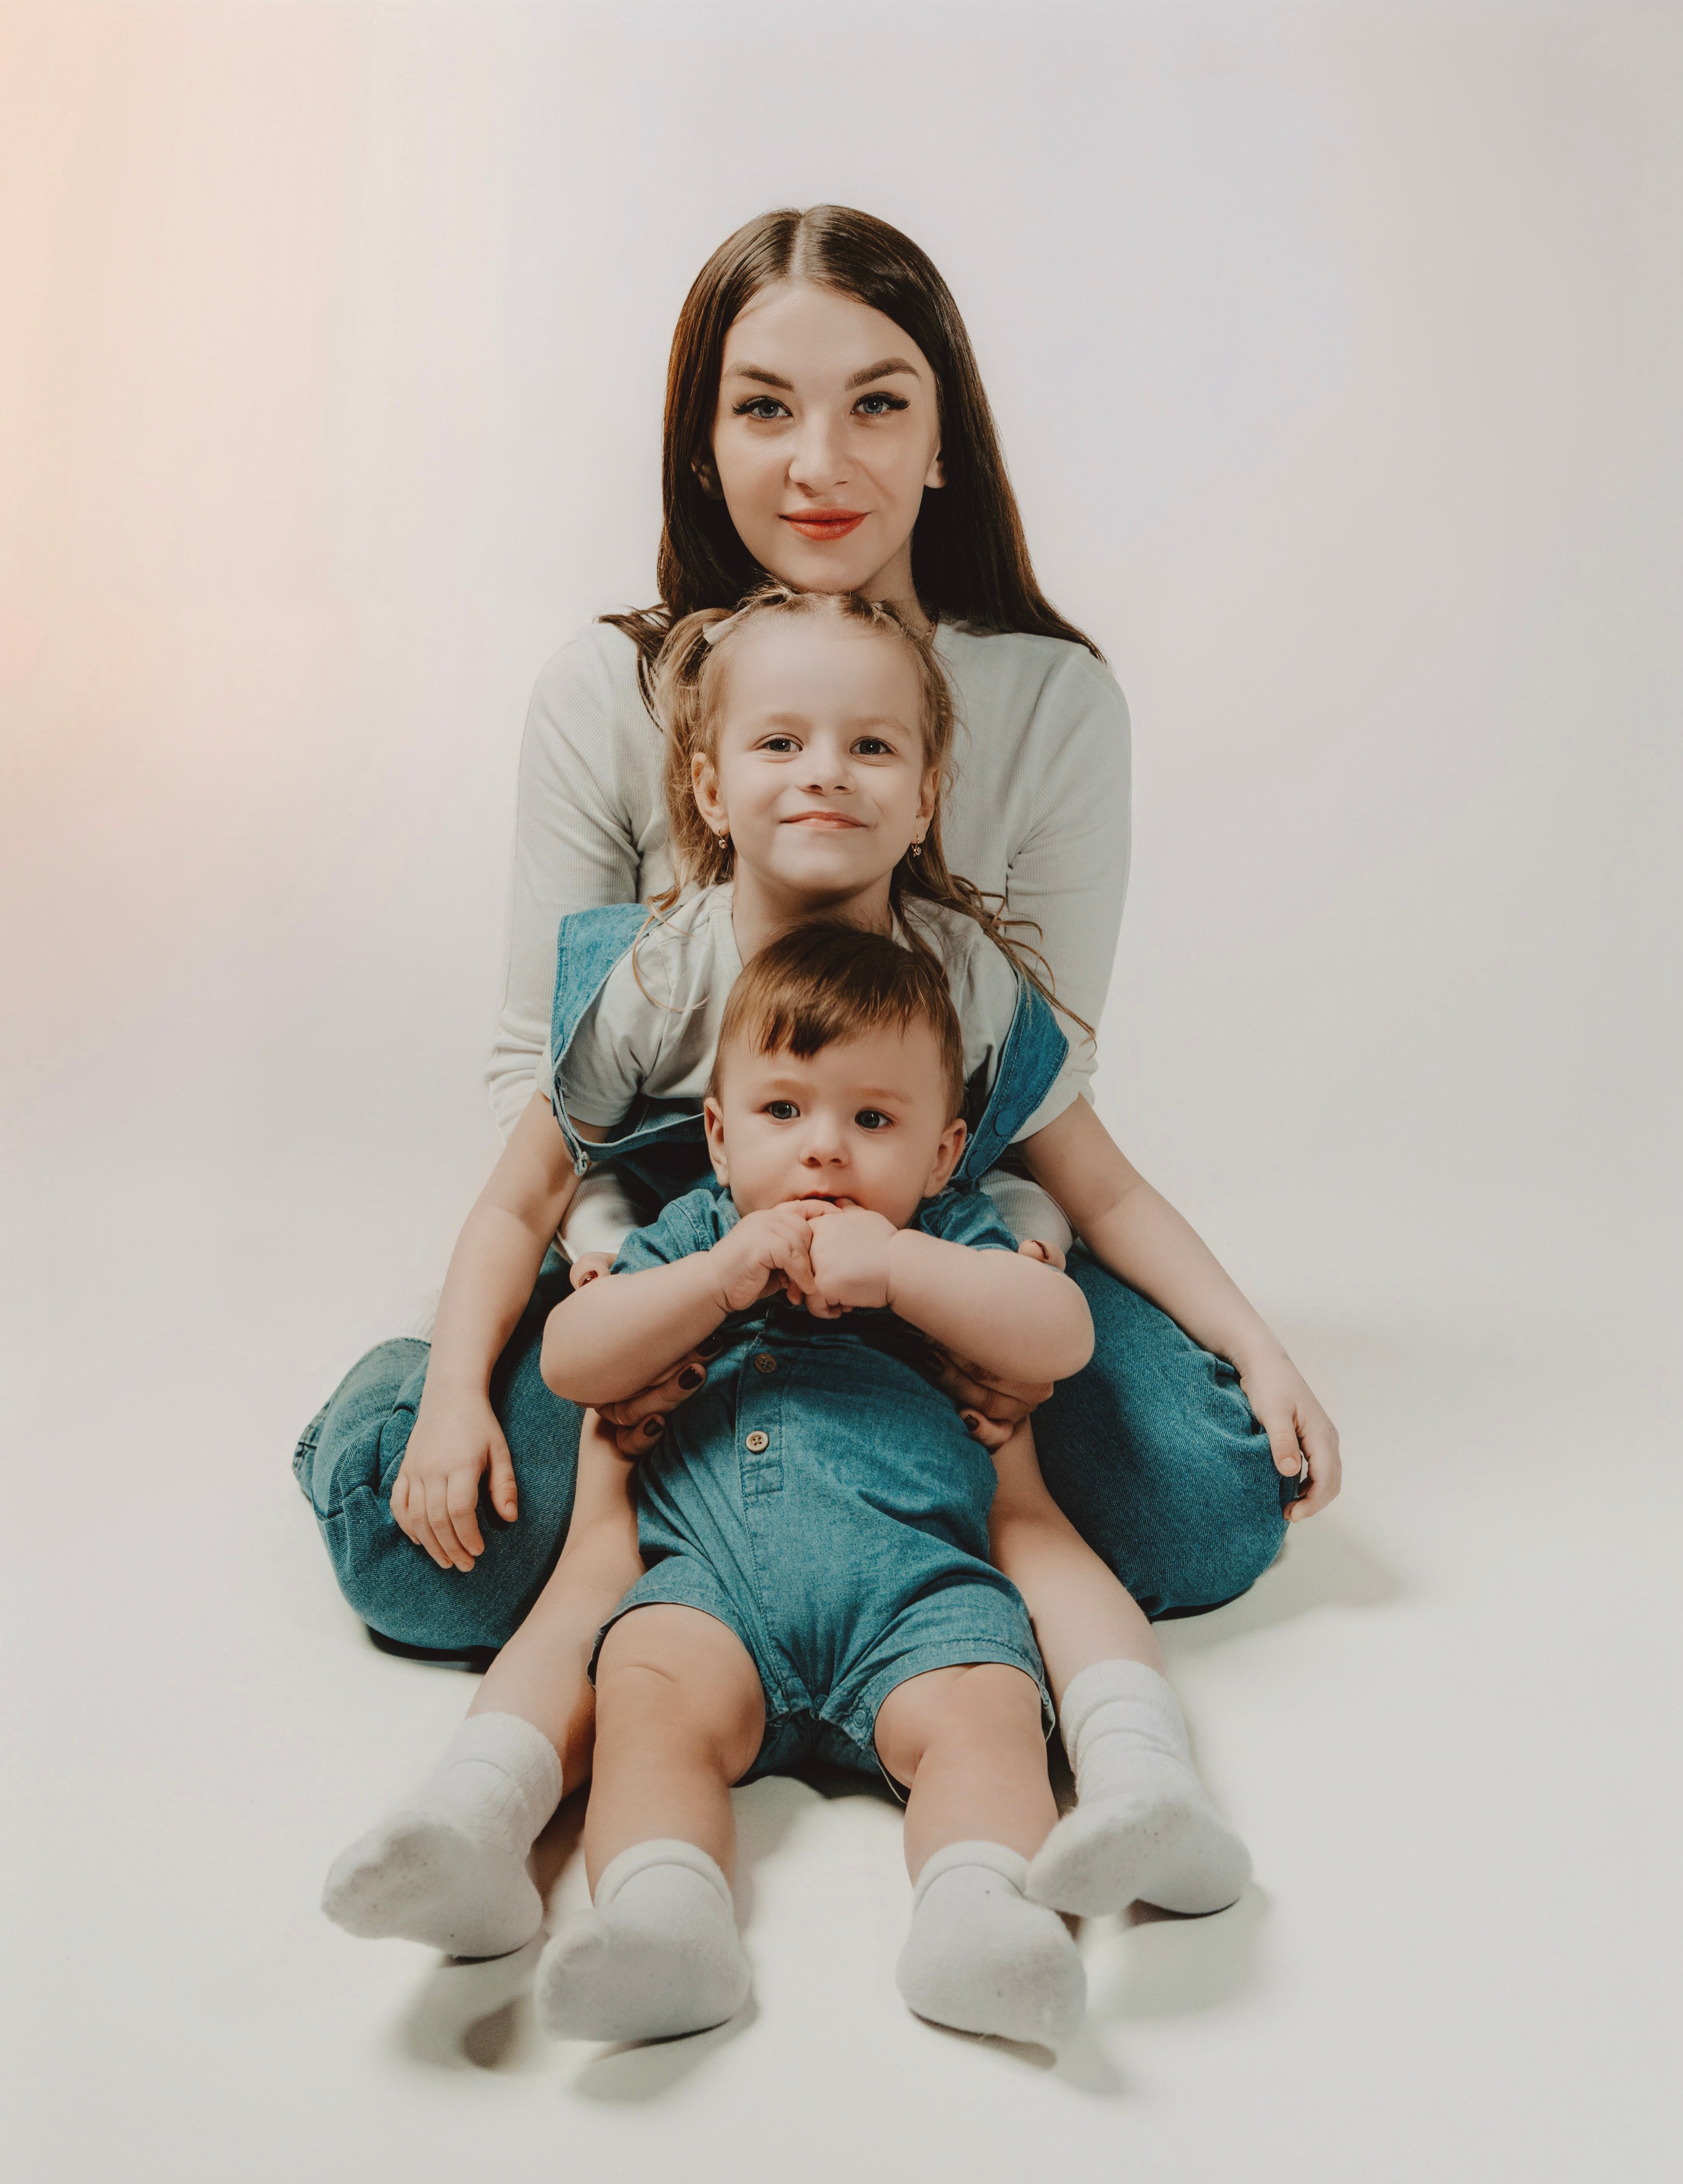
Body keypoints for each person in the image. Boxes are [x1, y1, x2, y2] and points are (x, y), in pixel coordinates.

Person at [294, 203, 1340, 1675]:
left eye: (877, 404)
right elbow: (538, 1088)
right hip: (665, 1230)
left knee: (1202, 1515)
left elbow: (1046, 1112)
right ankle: (547, 1436)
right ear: (701, 442)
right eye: (764, 407)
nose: (820, 462)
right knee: (432, 1573)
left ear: (943, 438)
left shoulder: (1048, 702)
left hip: (932, 1214)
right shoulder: (609, 693)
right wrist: (620, 1275)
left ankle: (857, 1522)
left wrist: (986, 1286)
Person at [320, 592, 1281, 2018]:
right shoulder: (660, 975)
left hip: (910, 1425)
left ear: (926, 790)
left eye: (869, 747)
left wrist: (1250, 1349)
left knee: (1189, 1502)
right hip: (665, 1330)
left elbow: (1107, 1202)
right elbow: (522, 1204)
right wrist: (472, 1391)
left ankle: (988, 1912)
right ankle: (644, 1906)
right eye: (778, 740)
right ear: (706, 785)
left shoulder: (965, 993)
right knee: (463, 1565)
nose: (824, 771)